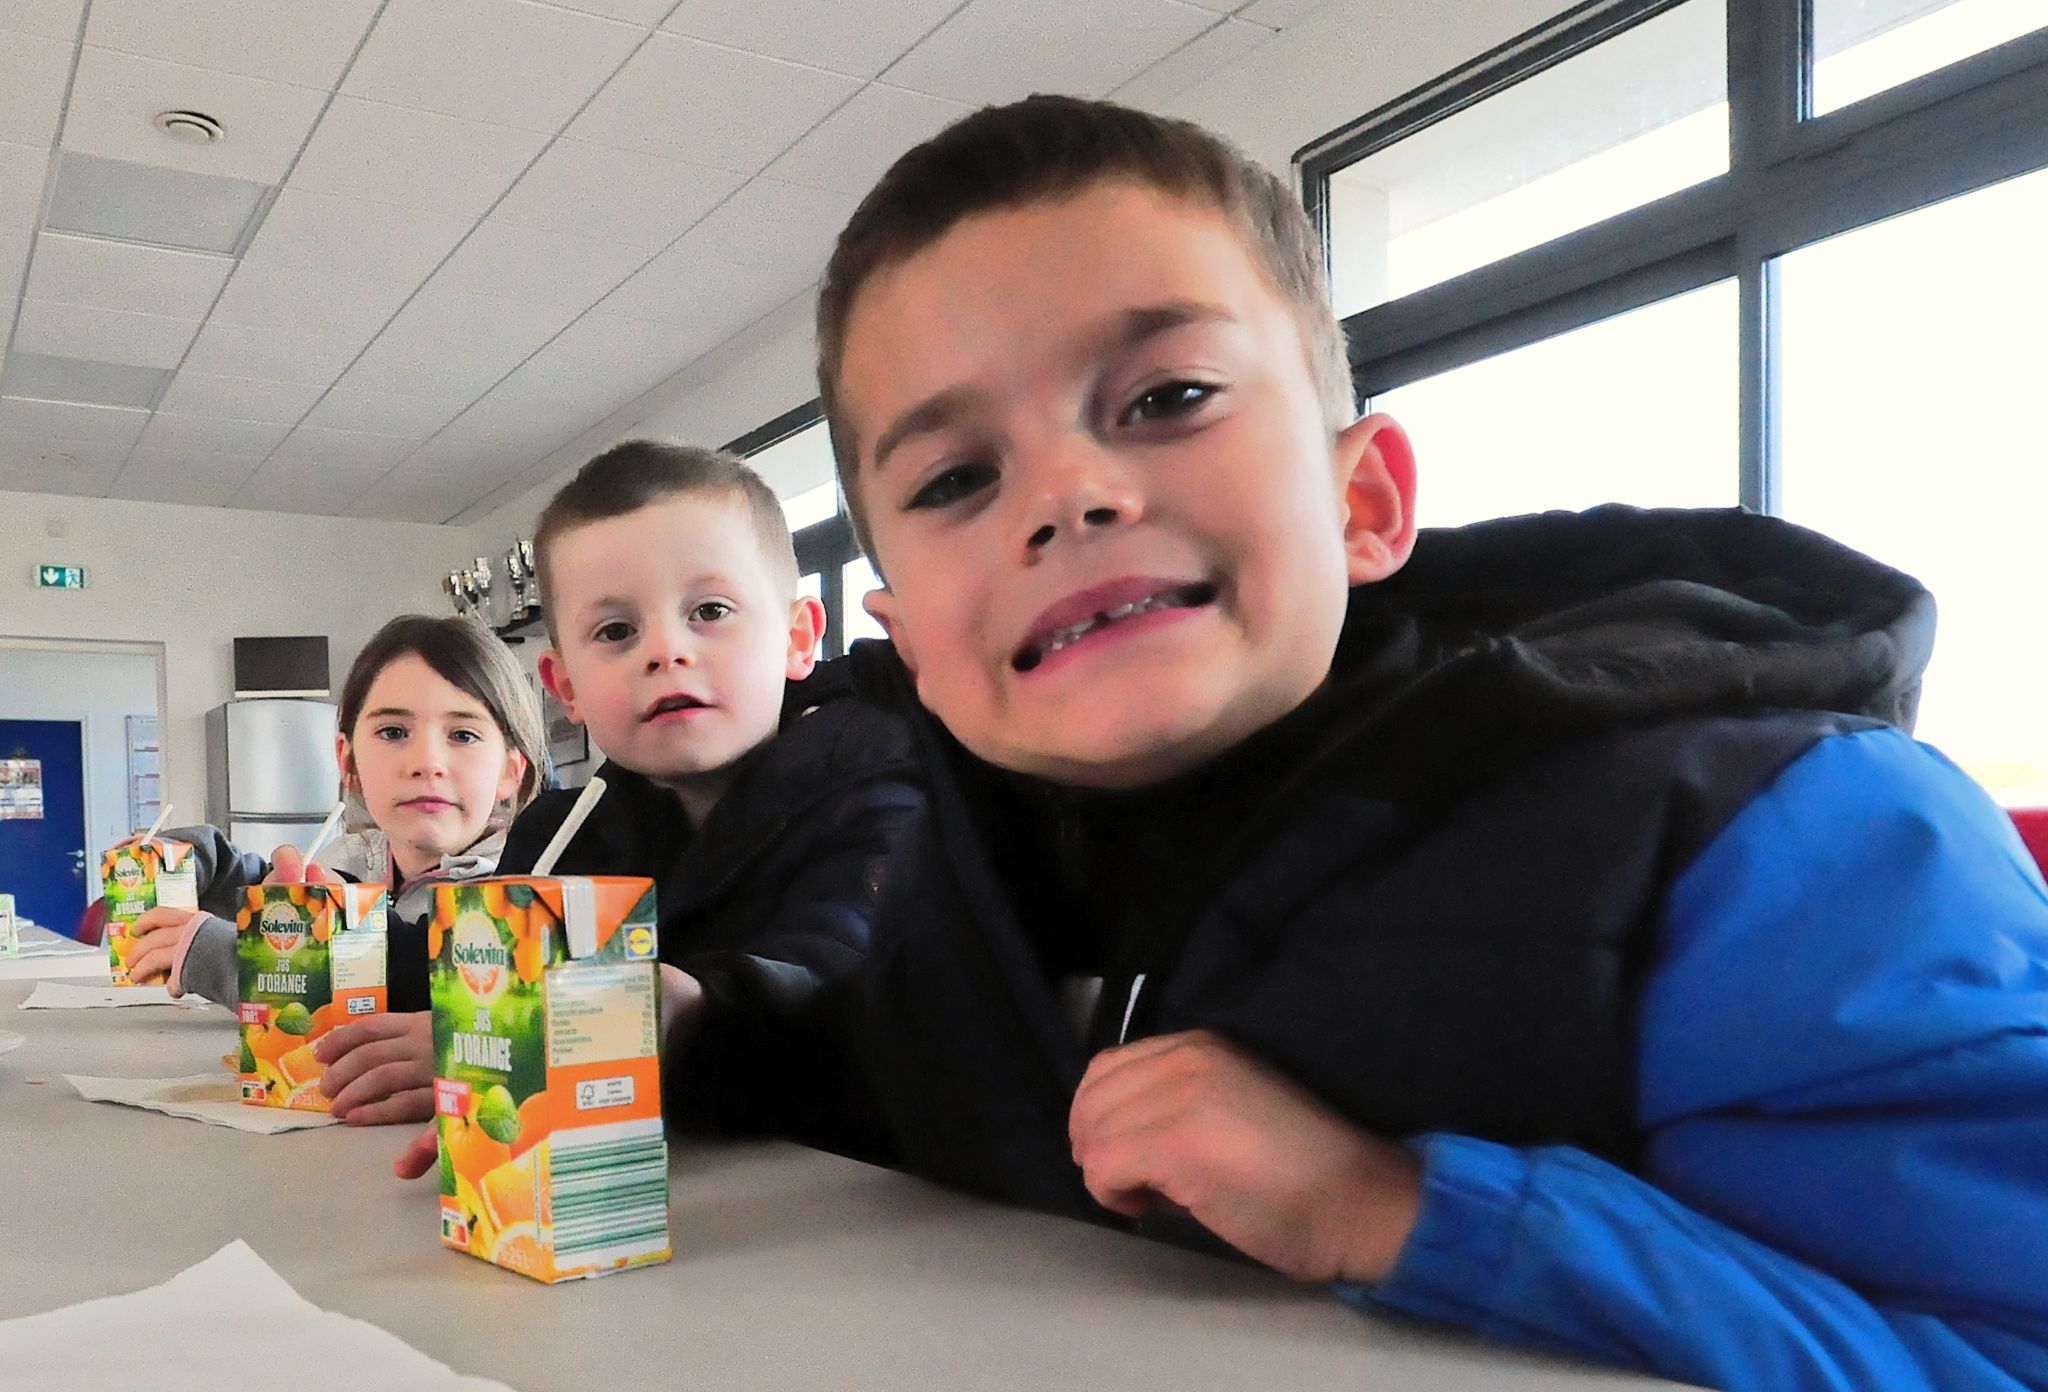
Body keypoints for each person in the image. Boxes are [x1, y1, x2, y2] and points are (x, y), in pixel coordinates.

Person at [796, 93, 2048, 1390]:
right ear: (915, 648)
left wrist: (1398, 1211)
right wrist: (710, 1021)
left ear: (1365, 502)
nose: (1065, 495)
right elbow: (889, 1074)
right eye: (955, 479)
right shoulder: (967, 875)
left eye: (1166, 397)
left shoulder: (1780, 839)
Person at [392, 441, 922, 1179]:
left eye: (710, 611)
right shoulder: (558, 835)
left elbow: (836, 971)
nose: (666, 651)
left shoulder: (882, 794)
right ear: (565, 686)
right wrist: (331, 950)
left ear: (798, 638)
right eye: (616, 632)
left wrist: (683, 1008)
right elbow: (463, 980)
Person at [123, 614, 543, 1125]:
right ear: (347, 763)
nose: (427, 761)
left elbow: (401, 992)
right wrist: (200, 860)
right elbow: (261, 888)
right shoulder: (349, 861)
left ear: (509, 772)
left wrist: (226, 960)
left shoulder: (523, 893)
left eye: (463, 734)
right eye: (393, 731)